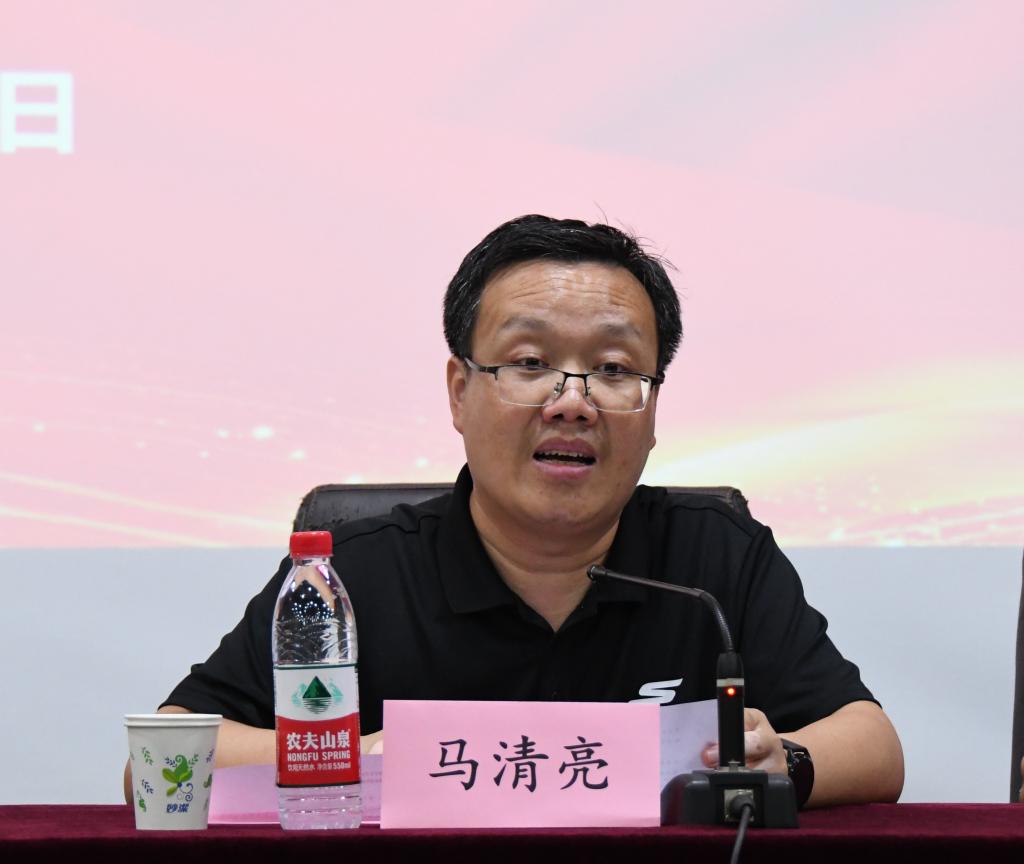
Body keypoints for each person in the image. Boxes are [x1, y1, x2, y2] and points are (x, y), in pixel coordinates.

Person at [125, 215, 903, 807]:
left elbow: (874, 747)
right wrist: (359, 761)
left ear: (653, 408)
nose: (573, 401)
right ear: (460, 391)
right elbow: (155, 764)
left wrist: (783, 761)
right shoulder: (356, 574)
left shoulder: (713, 558)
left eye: (614, 369)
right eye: (530, 363)